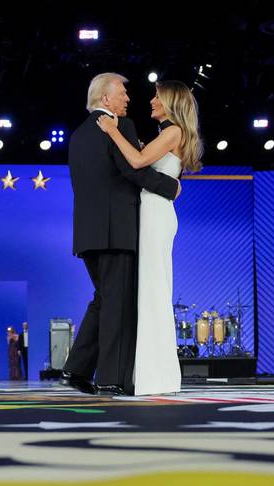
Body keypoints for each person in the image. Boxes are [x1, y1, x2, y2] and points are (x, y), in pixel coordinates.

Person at [61, 73, 181, 396]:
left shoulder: (76, 136)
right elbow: (133, 169)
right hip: (117, 233)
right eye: (123, 93)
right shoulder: (119, 127)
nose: (128, 99)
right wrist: (171, 187)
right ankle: (111, 378)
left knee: (103, 300)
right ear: (106, 100)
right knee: (117, 305)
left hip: (86, 236)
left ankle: (75, 369)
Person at [96, 80, 203, 395]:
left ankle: (156, 376)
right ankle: (151, 373)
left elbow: (139, 162)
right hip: (154, 211)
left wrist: (112, 130)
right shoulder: (167, 134)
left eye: (157, 96)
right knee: (150, 291)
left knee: (153, 291)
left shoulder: (173, 132)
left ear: (170, 101)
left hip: (156, 214)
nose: (152, 101)